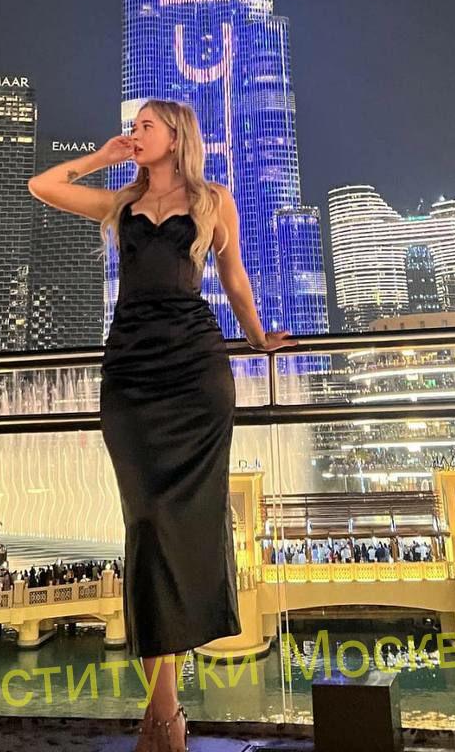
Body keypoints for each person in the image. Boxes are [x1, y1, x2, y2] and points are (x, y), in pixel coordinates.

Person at [28, 99, 295, 751]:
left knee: (185, 525)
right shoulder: (119, 204)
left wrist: (258, 337)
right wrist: (103, 156)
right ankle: (166, 707)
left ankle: (165, 711)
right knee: (144, 520)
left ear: (176, 137)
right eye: (134, 125)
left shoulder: (213, 201)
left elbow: (234, 278)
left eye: (146, 125)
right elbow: (44, 185)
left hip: (194, 371)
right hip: (130, 371)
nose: (135, 132)